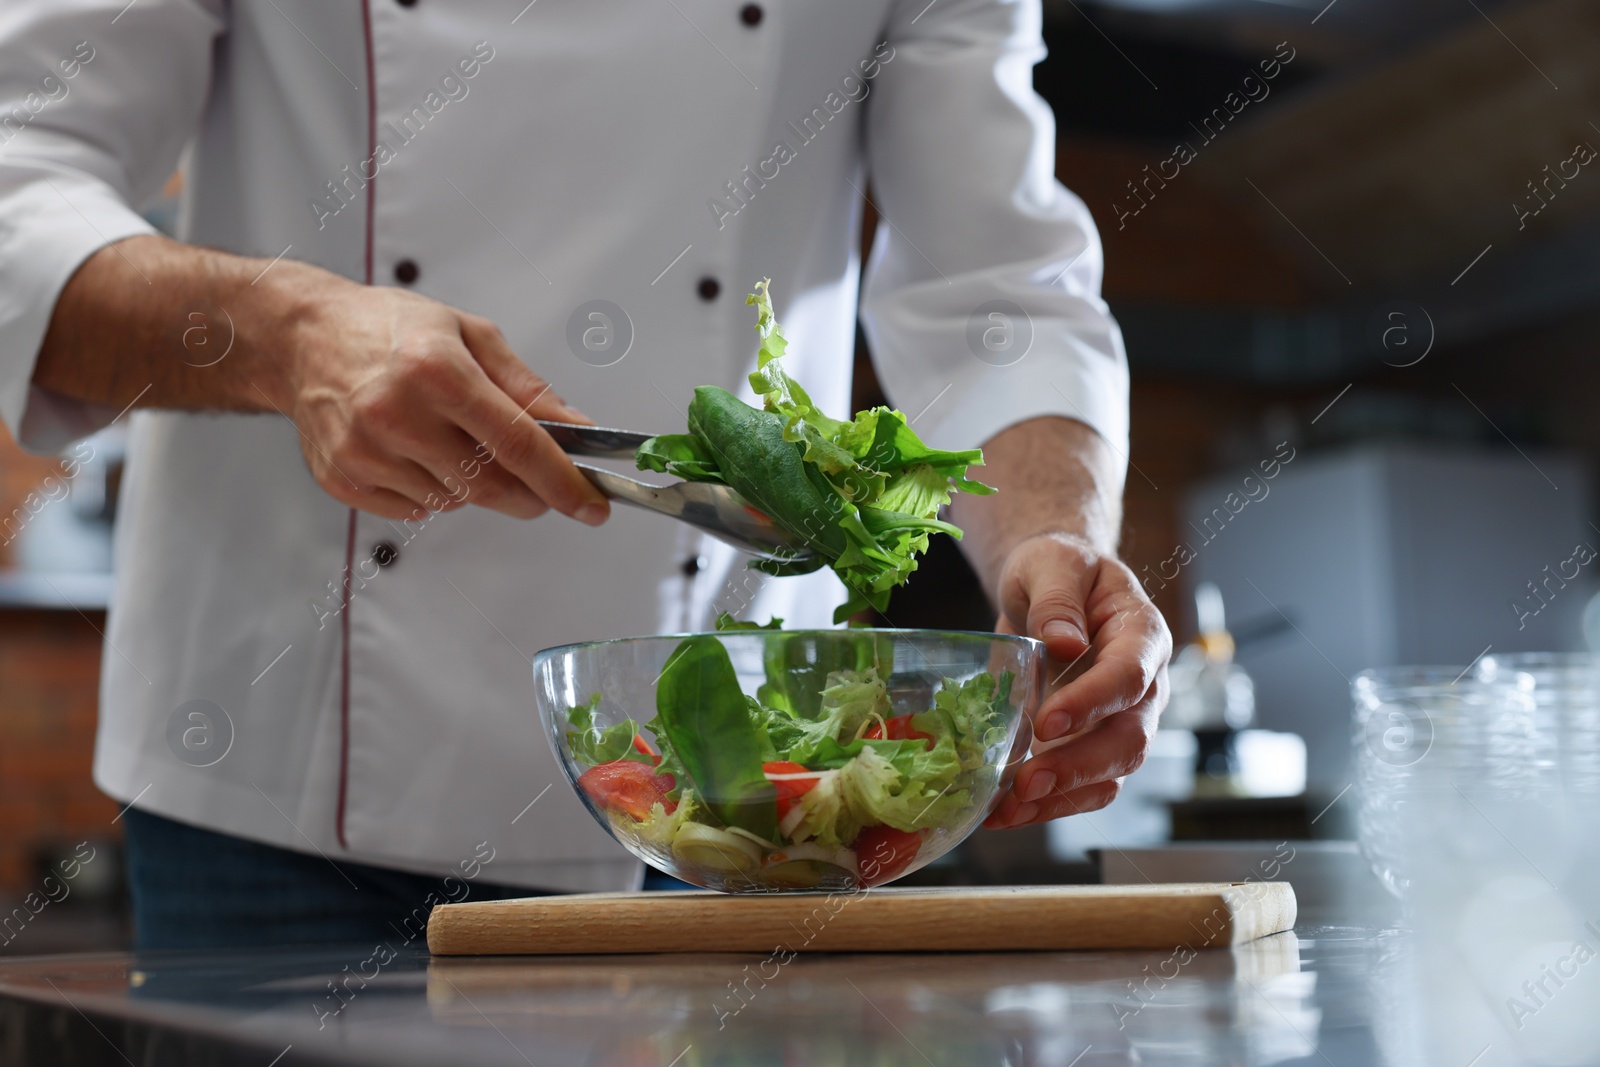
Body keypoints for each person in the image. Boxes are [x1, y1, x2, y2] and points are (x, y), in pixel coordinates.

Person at [0, 0, 1170, 948]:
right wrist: (285, 332)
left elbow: (995, 290)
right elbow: (17, 180)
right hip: (279, 785)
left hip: (757, 801)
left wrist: (1050, 540)